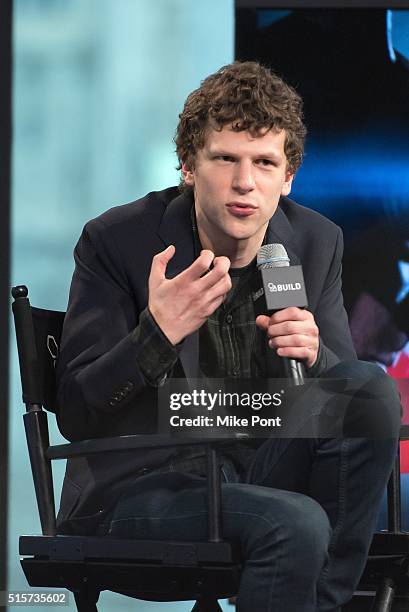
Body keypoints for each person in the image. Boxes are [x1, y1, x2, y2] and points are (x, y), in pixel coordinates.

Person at [55, 61, 401, 611]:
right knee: (296, 521)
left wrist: (316, 354)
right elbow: (75, 411)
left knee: (370, 390)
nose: (245, 182)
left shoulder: (315, 242)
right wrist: (157, 334)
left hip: (262, 469)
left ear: (287, 178)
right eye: (226, 159)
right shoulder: (117, 240)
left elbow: (343, 408)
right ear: (190, 165)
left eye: (265, 163)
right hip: (146, 485)